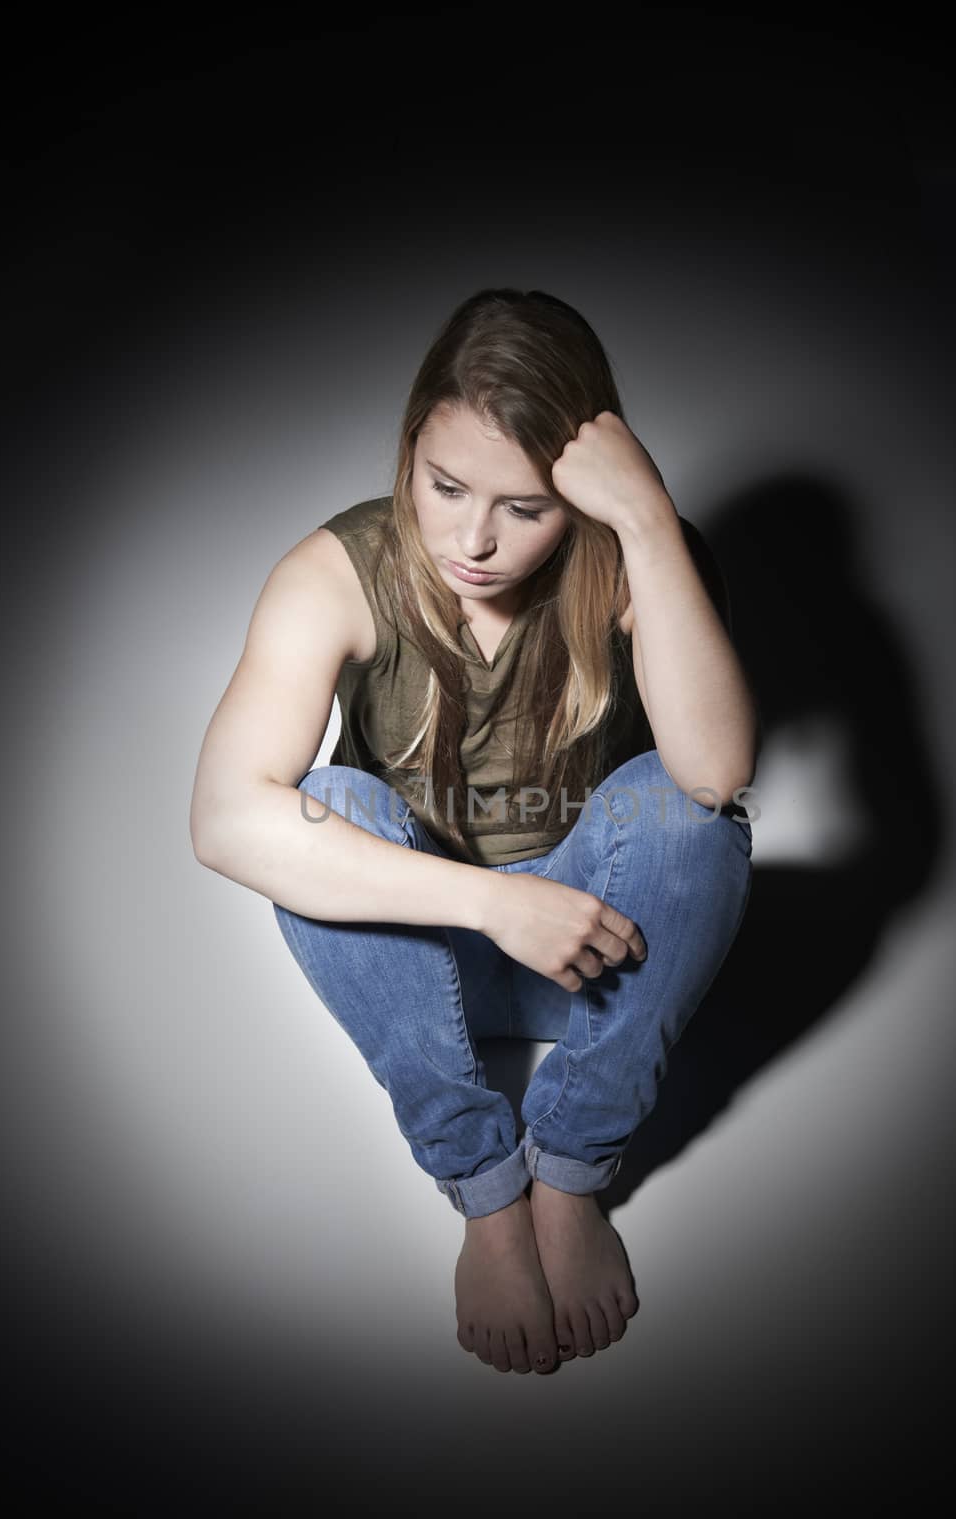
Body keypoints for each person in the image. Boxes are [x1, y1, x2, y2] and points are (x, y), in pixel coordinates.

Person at [190, 287, 759, 1377]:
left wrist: (643, 521)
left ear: (580, 496)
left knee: (683, 805)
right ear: (409, 449)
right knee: (332, 801)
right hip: (422, 957)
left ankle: (571, 1170)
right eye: (446, 486)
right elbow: (223, 817)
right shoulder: (339, 568)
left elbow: (718, 770)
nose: (474, 539)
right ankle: (487, 1195)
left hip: (597, 955)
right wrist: (492, 901)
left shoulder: (639, 552)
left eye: (526, 505)